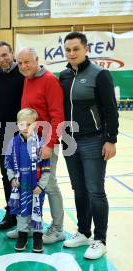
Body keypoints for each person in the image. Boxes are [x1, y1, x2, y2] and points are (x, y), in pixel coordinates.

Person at [60, 32, 118, 260]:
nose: (72, 53)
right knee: (79, 189)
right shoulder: (63, 76)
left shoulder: (100, 74)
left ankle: (100, 239)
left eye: (75, 48)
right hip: (70, 141)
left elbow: (110, 109)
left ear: (85, 49)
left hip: (93, 140)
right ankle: (83, 231)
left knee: (95, 191)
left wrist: (110, 139)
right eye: (68, 49)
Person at [15, 47, 65, 244]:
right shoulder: (28, 79)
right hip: (29, 144)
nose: (24, 66)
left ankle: (58, 228)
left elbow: (57, 116)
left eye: (27, 61)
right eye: (20, 63)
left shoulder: (50, 80)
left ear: (37, 60)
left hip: (45, 144)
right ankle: (27, 226)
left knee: (49, 185)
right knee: (29, 185)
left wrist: (50, 144)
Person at [5, 108, 50, 253]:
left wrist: (42, 186)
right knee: (21, 212)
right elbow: (8, 163)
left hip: (36, 186)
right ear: (17, 125)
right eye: (22, 124)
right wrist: (12, 178)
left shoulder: (41, 143)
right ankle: (22, 235)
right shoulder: (13, 143)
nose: (25, 128)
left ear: (35, 125)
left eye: (29, 124)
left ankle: (38, 237)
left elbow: (46, 168)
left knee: (37, 211)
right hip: (20, 186)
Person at [0, 41, 24, 230]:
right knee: (7, 174)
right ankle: (11, 212)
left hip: (22, 133)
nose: (2, 59)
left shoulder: (23, 73)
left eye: (5, 55)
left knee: (26, 174)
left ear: (12, 53)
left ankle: (25, 213)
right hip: (2, 132)